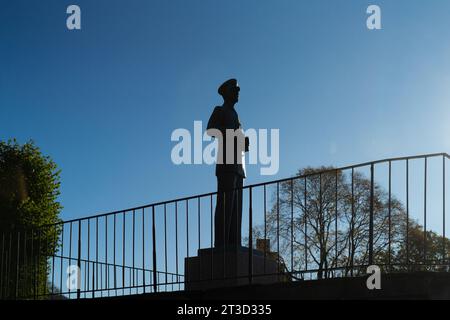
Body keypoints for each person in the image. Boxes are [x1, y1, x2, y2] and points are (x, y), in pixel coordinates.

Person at [206, 78, 249, 248]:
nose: (238, 92)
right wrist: (233, 135)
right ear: (226, 92)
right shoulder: (220, 110)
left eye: (238, 90)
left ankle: (234, 242)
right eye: (235, 89)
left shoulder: (236, 115)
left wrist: (243, 142)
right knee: (225, 205)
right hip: (226, 164)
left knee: (237, 208)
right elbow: (211, 129)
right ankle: (222, 244)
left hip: (239, 166)